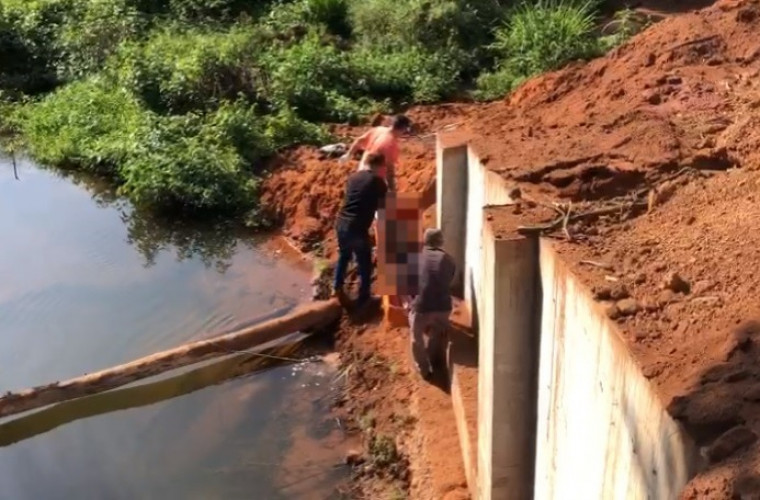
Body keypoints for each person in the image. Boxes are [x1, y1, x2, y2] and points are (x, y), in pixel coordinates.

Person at [333, 152, 388, 304]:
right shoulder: (378, 182)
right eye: (384, 167)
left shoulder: (354, 177)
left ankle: (336, 287)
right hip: (356, 228)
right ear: (379, 166)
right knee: (365, 263)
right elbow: (385, 210)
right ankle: (364, 297)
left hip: (341, 223)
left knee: (344, 256)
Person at [408, 228, 456, 379]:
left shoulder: (416, 258)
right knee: (439, 331)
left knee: (416, 337)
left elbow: (411, 285)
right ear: (440, 242)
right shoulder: (448, 259)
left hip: (422, 307)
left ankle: (424, 370)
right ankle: (436, 359)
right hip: (443, 307)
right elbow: (449, 280)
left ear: (425, 241)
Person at [339, 115, 412, 192]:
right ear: (403, 129)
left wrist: (348, 155)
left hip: (362, 171)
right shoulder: (391, 145)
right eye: (405, 130)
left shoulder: (378, 130)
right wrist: (392, 190)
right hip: (375, 180)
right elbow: (390, 171)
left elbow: (359, 140)